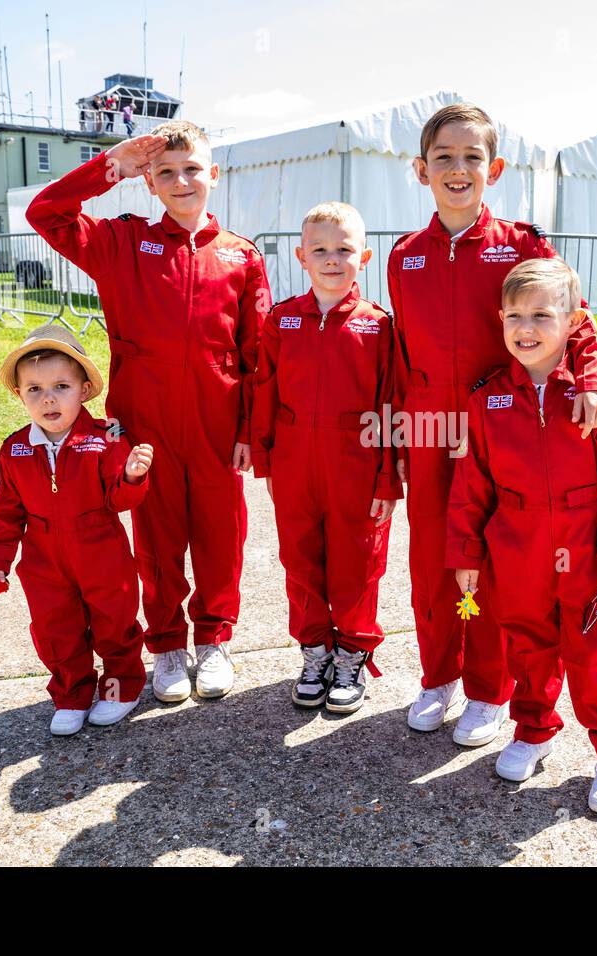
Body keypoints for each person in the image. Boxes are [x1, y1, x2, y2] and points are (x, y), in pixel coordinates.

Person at [387, 103, 597, 747]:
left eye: (471, 158)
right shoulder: (405, 256)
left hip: (505, 429)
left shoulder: (523, 246)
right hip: (433, 432)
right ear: (421, 169)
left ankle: (489, 690)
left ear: (495, 167)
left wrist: (595, 380)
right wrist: (402, 439)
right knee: (434, 560)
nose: (457, 170)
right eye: (443, 158)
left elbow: (576, 323)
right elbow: (402, 356)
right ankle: (438, 676)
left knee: (494, 563)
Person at [27, 120, 271, 703]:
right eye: (165, 172)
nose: (181, 180)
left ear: (213, 175)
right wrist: (110, 165)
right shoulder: (121, 243)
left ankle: (213, 639)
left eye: (192, 169)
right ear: (149, 183)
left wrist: (249, 431)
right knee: (156, 541)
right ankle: (166, 646)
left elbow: (257, 354)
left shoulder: (240, 256)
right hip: (145, 425)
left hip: (217, 425)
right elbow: (47, 213)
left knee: (220, 535)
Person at [447, 258, 597, 815]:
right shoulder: (488, 399)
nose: (526, 328)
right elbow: (471, 483)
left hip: (587, 544)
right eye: (515, 315)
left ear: (573, 322)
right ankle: (534, 730)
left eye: (541, 314)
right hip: (516, 546)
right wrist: (467, 552)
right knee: (528, 645)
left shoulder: (595, 397)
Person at [252, 202, 401, 714]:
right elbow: (264, 391)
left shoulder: (378, 325)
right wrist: (267, 461)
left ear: (364, 254)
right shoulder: (282, 320)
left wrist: (387, 478)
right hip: (295, 461)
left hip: (356, 462)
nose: (332, 259)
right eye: (320, 250)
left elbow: (390, 402)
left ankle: (352, 652)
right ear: (301, 256)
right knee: (300, 558)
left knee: (357, 562)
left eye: (343, 250)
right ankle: (314, 650)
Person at [0, 325, 154, 735]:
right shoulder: (16, 448)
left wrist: (130, 476)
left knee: (114, 623)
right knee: (56, 629)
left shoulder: (107, 435)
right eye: (34, 389)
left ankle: (118, 688)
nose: (48, 398)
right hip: (44, 560)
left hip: (101, 553)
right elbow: (4, 511)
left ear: (85, 389)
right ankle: (71, 695)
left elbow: (120, 500)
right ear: (19, 395)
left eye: (60, 386)